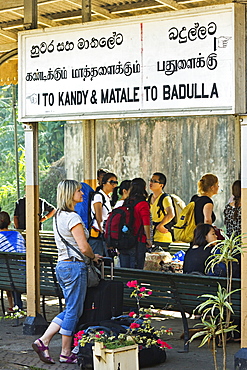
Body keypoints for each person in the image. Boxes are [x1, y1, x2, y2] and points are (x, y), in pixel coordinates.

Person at [32, 180, 102, 365]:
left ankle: (44, 341)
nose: (82, 193)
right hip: (75, 267)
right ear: (70, 194)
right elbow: (83, 246)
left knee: (72, 309)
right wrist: (93, 256)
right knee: (73, 311)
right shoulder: (73, 218)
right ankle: (63, 351)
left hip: (63, 266)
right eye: (79, 191)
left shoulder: (58, 216)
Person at [119, 178, 152, 269]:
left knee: (125, 272)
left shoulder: (126, 202)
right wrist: (148, 239)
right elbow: (146, 222)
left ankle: (125, 284)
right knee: (136, 272)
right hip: (137, 241)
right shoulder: (143, 204)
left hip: (124, 241)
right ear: (144, 188)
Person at [0, 211, 26, 311]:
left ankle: (13, 306)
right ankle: (17, 305)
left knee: (8, 271)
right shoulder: (17, 235)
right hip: (20, 274)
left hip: (4, 275)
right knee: (13, 271)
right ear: (9, 223)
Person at [88, 172, 118, 255]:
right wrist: (102, 231)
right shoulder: (98, 196)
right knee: (98, 260)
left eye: (116, 183)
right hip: (98, 234)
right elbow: (99, 217)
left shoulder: (106, 197)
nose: (114, 185)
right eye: (111, 182)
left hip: (104, 233)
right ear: (104, 183)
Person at [149, 172, 175, 248]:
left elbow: (171, 214)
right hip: (152, 236)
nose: (151, 183)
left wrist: (160, 225)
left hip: (163, 237)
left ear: (161, 185)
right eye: (151, 180)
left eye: (154, 181)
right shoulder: (149, 198)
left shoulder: (165, 198)